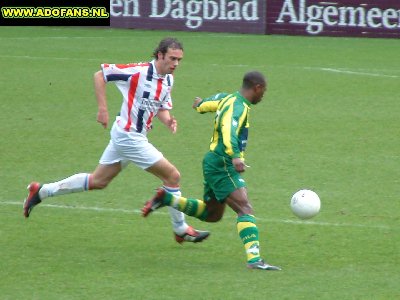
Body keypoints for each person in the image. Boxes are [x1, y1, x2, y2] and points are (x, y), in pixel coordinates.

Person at [23, 37, 210, 244]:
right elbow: (100, 75)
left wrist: (168, 121)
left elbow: (160, 106)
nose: (176, 64)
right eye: (172, 58)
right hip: (129, 137)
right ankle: (180, 228)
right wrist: (103, 109)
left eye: (179, 60)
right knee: (172, 177)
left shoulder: (168, 79)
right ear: (160, 55)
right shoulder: (137, 71)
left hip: (128, 135)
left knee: (98, 181)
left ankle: (41, 191)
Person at [142, 71, 281, 270]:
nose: (263, 96)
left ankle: (167, 199)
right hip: (222, 162)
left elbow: (207, 104)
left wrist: (199, 104)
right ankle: (254, 260)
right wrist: (236, 156)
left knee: (212, 214)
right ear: (257, 88)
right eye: (263, 91)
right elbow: (228, 130)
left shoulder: (227, 98)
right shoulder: (238, 106)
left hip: (212, 161)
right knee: (244, 207)